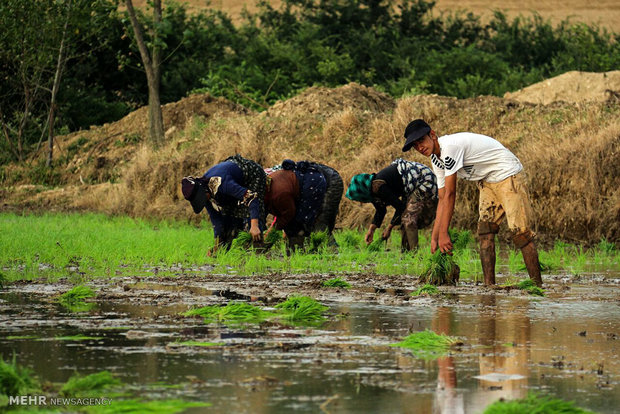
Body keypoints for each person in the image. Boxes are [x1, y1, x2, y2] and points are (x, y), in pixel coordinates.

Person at [402, 119, 543, 287]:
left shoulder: (450, 148)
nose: (420, 148)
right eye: (415, 146)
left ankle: (537, 287)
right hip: (487, 180)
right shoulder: (436, 159)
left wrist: (444, 233)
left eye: (421, 141)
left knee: (520, 234)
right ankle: (489, 286)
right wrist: (435, 237)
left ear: (432, 135)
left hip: (507, 174)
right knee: (485, 232)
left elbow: (451, 194)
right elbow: (442, 197)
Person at [181, 154, 267, 255]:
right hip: (230, 180)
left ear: (205, 191)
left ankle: (258, 251)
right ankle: (226, 249)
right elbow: (216, 220)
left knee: (250, 218)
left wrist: (254, 225)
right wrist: (217, 245)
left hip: (251, 175)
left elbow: (252, 198)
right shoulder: (206, 197)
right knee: (228, 217)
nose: (204, 201)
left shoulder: (223, 184)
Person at [345, 158, 438, 251]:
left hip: (423, 180)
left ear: (362, 192)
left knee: (408, 218)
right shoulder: (372, 190)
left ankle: (413, 254)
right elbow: (380, 210)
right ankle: (406, 251)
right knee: (405, 217)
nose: (361, 201)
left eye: (359, 198)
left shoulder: (378, 187)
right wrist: (371, 230)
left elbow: (400, 207)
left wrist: (389, 228)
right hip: (410, 186)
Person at [264, 159, 330, 250]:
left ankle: (299, 249)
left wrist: (275, 229)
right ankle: (295, 248)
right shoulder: (265, 191)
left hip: (313, 183)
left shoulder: (279, 193)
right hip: (300, 182)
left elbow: (289, 213)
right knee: (292, 224)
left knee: (299, 222)